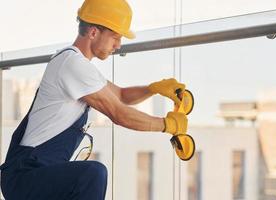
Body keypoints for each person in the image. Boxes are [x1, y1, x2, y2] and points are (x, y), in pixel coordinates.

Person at [0, 0, 187, 199]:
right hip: (26, 176)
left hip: (41, 172)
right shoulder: (72, 65)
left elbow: (121, 96)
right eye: (115, 36)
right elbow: (119, 114)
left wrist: (154, 89)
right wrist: (168, 125)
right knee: (92, 174)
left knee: (88, 177)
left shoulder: (76, 64)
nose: (118, 45)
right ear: (93, 32)